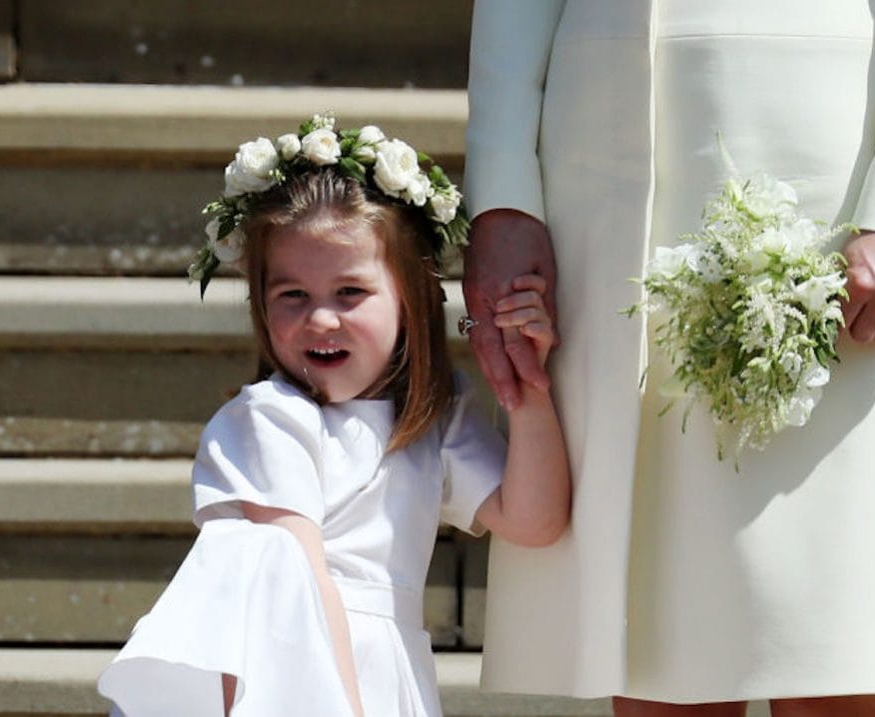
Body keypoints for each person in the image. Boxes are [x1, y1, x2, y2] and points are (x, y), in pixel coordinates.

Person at [464, 2, 875, 716]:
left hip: (832, 161)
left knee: (823, 639)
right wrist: (502, 196)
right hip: (604, 144)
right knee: (657, 638)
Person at [97, 115, 570, 717]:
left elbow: (534, 521)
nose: (321, 319)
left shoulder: (431, 417)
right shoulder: (270, 419)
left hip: (387, 674)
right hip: (299, 680)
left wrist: (527, 386)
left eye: (350, 293)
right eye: (293, 295)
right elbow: (298, 586)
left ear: (411, 298)